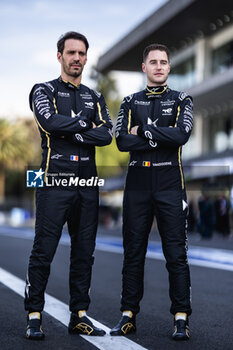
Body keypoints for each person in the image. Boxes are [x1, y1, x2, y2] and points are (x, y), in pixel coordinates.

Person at [24, 31, 113, 340]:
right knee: (43, 251)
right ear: (59, 56)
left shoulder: (95, 96)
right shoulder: (43, 90)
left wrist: (72, 129)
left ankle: (79, 316)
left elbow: (106, 136)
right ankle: (34, 315)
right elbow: (49, 122)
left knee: (84, 253)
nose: (77, 58)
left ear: (86, 58)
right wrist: (85, 126)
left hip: (87, 185)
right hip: (53, 182)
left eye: (82, 53)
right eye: (71, 52)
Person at [111, 44, 193, 340]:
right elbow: (121, 141)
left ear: (169, 68)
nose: (159, 66)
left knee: (176, 254)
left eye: (164, 62)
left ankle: (181, 317)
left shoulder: (182, 99)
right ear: (143, 67)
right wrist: (161, 135)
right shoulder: (129, 101)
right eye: (153, 62)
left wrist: (143, 131)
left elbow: (181, 135)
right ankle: (128, 315)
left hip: (170, 182)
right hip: (137, 184)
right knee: (133, 253)